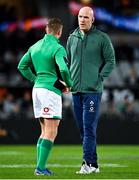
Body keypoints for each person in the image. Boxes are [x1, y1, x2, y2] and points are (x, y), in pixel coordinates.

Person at [18, 18, 72, 175]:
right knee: (51, 131)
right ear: (59, 32)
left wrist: (35, 79)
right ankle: (40, 169)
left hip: (37, 89)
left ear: (46, 30)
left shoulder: (34, 47)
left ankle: (40, 167)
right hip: (50, 91)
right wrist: (68, 84)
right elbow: (63, 69)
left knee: (44, 130)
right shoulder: (57, 47)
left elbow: (22, 66)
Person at [66, 6, 116, 174]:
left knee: (88, 128)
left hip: (92, 91)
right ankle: (93, 165)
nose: (82, 20)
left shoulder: (102, 38)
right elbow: (68, 62)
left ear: (92, 19)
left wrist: (99, 78)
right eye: (80, 16)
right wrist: (67, 81)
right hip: (75, 91)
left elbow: (110, 60)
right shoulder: (72, 37)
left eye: (86, 17)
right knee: (83, 129)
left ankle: (86, 163)